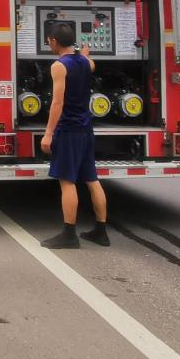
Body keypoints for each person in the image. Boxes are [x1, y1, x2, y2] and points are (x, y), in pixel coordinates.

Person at [38, 22, 110, 249]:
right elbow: (89, 61)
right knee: (92, 179)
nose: (48, 43)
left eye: (49, 40)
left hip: (68, 129)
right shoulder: (86, 63)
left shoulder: (59, 66)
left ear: (54, 41)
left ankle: (69, 234)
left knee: (67, 181)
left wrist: (48, 134)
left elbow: (57, 102)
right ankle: (101, 231)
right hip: (86, 128)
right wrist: (84, 53)